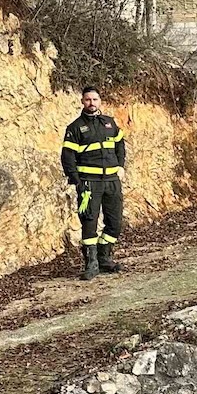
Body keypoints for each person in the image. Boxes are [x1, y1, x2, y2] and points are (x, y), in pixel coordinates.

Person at [60, 87, 126, 280]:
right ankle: (91, 263)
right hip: (89, 184)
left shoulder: (109, 123)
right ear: (82, 101)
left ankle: (105, 257)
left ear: (100, 101)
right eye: (88, 99)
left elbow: (120, 145)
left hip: (112, 181)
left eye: (95, 99)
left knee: (115, 223)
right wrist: (77, 182)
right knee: (89, 223)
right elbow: (67, 157)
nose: (92, 103)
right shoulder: (75, 128)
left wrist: (120, 166)